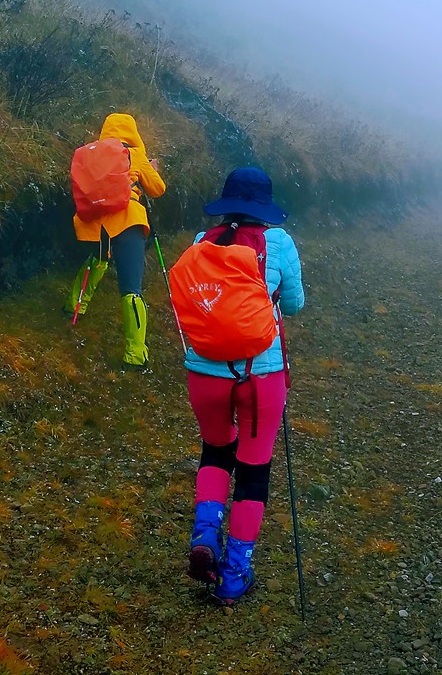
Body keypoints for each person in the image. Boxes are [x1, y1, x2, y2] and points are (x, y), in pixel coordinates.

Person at [182, 167, 305, 605]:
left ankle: (206, 532)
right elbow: (293, 303)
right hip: (261, 377)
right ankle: (235, 573)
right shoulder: (279, 244)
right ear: (264, 209)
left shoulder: (202, 243)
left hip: (205, 373)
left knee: (215, 450)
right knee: (253, 471)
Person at [68, 112, 165, 370]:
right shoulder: (135, 155)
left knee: (99, 259)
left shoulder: (89, 154)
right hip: (127, 221)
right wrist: (151, 170)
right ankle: (135, 355)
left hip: (94, 223)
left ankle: (75, 306)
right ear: (132, 133)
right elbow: (158, 189)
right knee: (131, 288)